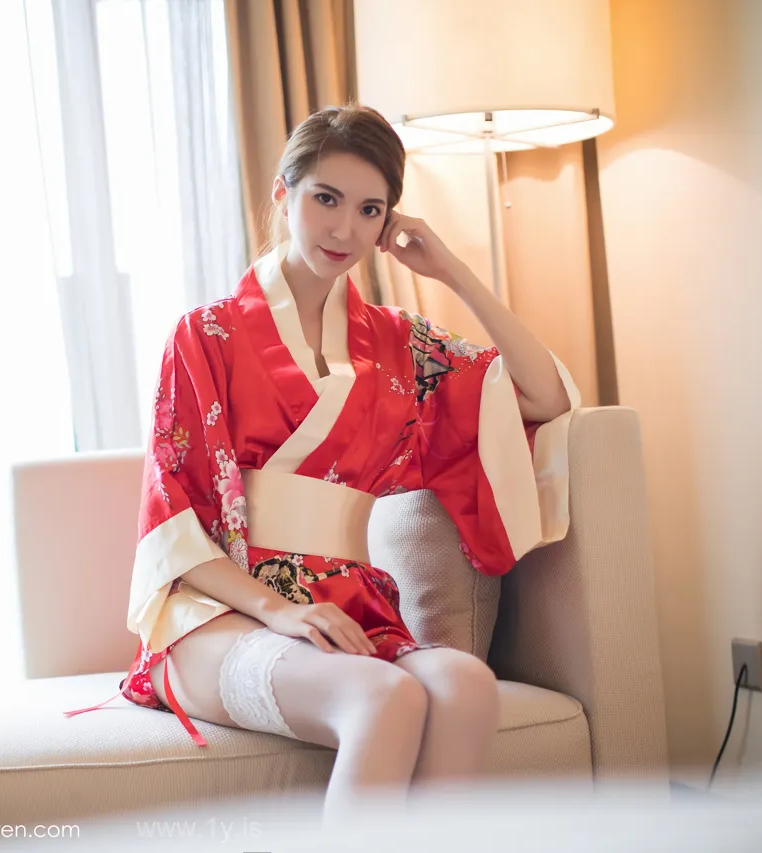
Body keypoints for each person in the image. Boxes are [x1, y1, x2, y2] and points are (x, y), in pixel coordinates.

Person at [64, 104, 580, 820]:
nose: (345, 230)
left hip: (345, 606)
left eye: (370, 210)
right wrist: (278, 610)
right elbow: (172, 522)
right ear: (284, 193)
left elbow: (543, 395)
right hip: (218, 612)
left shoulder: (400, 346)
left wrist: (452, 271)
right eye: (326, 199)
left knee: (466, 686)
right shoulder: (205, 335)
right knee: (383, 695)